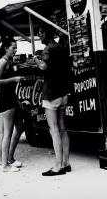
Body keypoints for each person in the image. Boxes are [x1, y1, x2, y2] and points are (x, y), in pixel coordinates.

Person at [34, 25, 71, 176]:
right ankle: (66, 163)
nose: (39, 34)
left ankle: (58, 166)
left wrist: (36, 59)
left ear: (46, 33)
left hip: (51, 93)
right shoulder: (61, 47)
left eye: (41, 32)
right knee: (62, 129)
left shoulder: (48, 49)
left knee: (54, 130)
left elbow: (44, 67)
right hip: (63, 93)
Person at [0, 38, 24, 172]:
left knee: (19, 126)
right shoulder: (3, 61)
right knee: (7, 133)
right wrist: (14, 79)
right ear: (6, 48)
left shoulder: (9, 61)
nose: (15, 50)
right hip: (5, 99)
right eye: (13, 48)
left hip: (11, 98)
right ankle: (4, 165)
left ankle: (9, 158)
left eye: (16, 48)